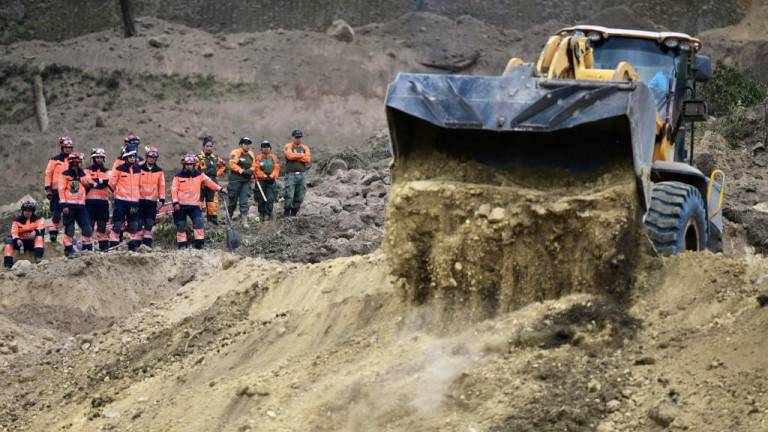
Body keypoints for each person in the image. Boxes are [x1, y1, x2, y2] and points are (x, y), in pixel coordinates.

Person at [171, 155, 226, 249]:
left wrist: (220, 189)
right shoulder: (178, 176)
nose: (189, 166)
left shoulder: (199, 175)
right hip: (180, 206)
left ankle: (199, 245)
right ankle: (182, 246)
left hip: (194, 205)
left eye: (191, 164)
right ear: (184, 165)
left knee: (198, 223)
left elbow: (210, 182)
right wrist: (175, 203)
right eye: (187, 164)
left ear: (194, 165)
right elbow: (174, 190)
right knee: (181, 225)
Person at [58, 152, 93, 255]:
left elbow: (90, 183)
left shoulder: (83, 173)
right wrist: (64, 205)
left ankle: (87, 249)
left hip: (81, 206)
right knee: (70, 229)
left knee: (87, 228)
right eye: (79, 162)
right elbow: (61, 190)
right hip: (69, 205)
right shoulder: (65, 174)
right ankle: (68, 250)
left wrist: (86, 183)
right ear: (74, 163)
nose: (81, 164)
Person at [109, 149, 142, 251]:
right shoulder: (119, 169)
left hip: (134, 203)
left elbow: (140, 185)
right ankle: (113, 246)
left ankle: (132, 249)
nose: (132, 158)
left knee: (133, 225)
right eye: (130, 156)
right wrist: (117, 194)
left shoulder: (138, 170)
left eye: (134, 156)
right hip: (121, 202)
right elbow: (111, 184)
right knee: (118, 225)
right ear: (126, 157)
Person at [44, 136, 73, 242]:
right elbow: (48, 174)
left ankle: (68, 236)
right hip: (56, 190)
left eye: (70, 147)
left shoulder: (73, 160)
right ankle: (53, 232)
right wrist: (48, 188)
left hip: (69, 190)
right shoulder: (54, 160)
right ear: (62, 147)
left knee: (68, 213)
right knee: (56, 213)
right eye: (66, 147)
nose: (68, 149)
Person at [84, 148, 111, 252]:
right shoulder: (87, 170)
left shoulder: (108, 171)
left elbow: (107, 182)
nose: (99, 159)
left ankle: (104, 248)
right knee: (89, 226)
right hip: (89, 203)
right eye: (97, 157)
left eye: (101, 157)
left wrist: (94, 182)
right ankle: (87, 249)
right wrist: (99, 182)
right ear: (93, 158)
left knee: (102, 227)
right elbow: (86, 181)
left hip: (103, 203)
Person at [3, 200, 45, 268]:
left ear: (32, 211)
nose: (28, 212)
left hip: (32, 242)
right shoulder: (16, 221)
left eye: (30, 210)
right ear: (23, 211)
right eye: (26, 210)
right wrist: (17, 239)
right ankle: (8, 264)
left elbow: (42, 228)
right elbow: (14, 232)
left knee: (39, 237)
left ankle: (39, 258)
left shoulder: (38, 219)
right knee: (8, 241)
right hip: (20, 243)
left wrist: (35, 232)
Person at [137, 146, 165, 247]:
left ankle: (147, 244)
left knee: (149, 223)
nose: (152, 159)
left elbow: (161, 186)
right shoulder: (138, 168)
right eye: (150, 157)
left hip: (152, 201)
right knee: (138, 223)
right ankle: (137, 243)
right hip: (139, 200)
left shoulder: (159, 171)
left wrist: (161, 199)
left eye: (154, 157)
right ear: (146, 157)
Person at [196, 136, 226, 225]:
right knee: (199, 202)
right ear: (203, 147)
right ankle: (198, 222)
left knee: (212, 203)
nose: (209, 148)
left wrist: (217, 173)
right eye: (207, 146)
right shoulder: (198, 158)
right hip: (201, 183)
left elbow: (223, 166)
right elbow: (193, 170)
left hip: (213, 183)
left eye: (211, 146)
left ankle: (212, 222)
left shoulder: (216, 158)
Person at [282, 129, 311, 217]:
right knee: (289, 196)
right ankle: (286, 215)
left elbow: (308, 159)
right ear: (293, 137)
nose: (298, 139)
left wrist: (296, 157)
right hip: (291, 175)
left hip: (302, 175)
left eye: (299, 137)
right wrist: (302, 156)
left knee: (300, 196)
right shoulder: (288, 146)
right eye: (296, 137)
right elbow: (289, 156)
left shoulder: (305, 147)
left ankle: (293, 214)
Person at [227, 137, 256, 220]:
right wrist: (241, 171)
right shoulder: (236, 152)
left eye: (249, 144)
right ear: (240, 145)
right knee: (233, 201)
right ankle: (229, 217)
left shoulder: (251, 154)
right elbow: (232, 164)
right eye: (245, 144)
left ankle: (244, 220)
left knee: (244, 201)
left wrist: (251, 170)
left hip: (246, 181)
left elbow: (254, 164)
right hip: (236, 180)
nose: (248, 146)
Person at [254, 140, 280, 220]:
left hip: (271, 180)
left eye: (267, 147)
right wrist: (263, 175)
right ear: (261, 148)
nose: (265, 148)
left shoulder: (273, 157)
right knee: (261, 197)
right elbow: (256, 168)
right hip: (261, 180)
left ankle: (268, 214)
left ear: (270, 148)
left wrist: (272, 175)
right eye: (264, 147)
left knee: (270, 197)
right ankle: (261, 213)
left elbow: (276, 167)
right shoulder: (258, 157)